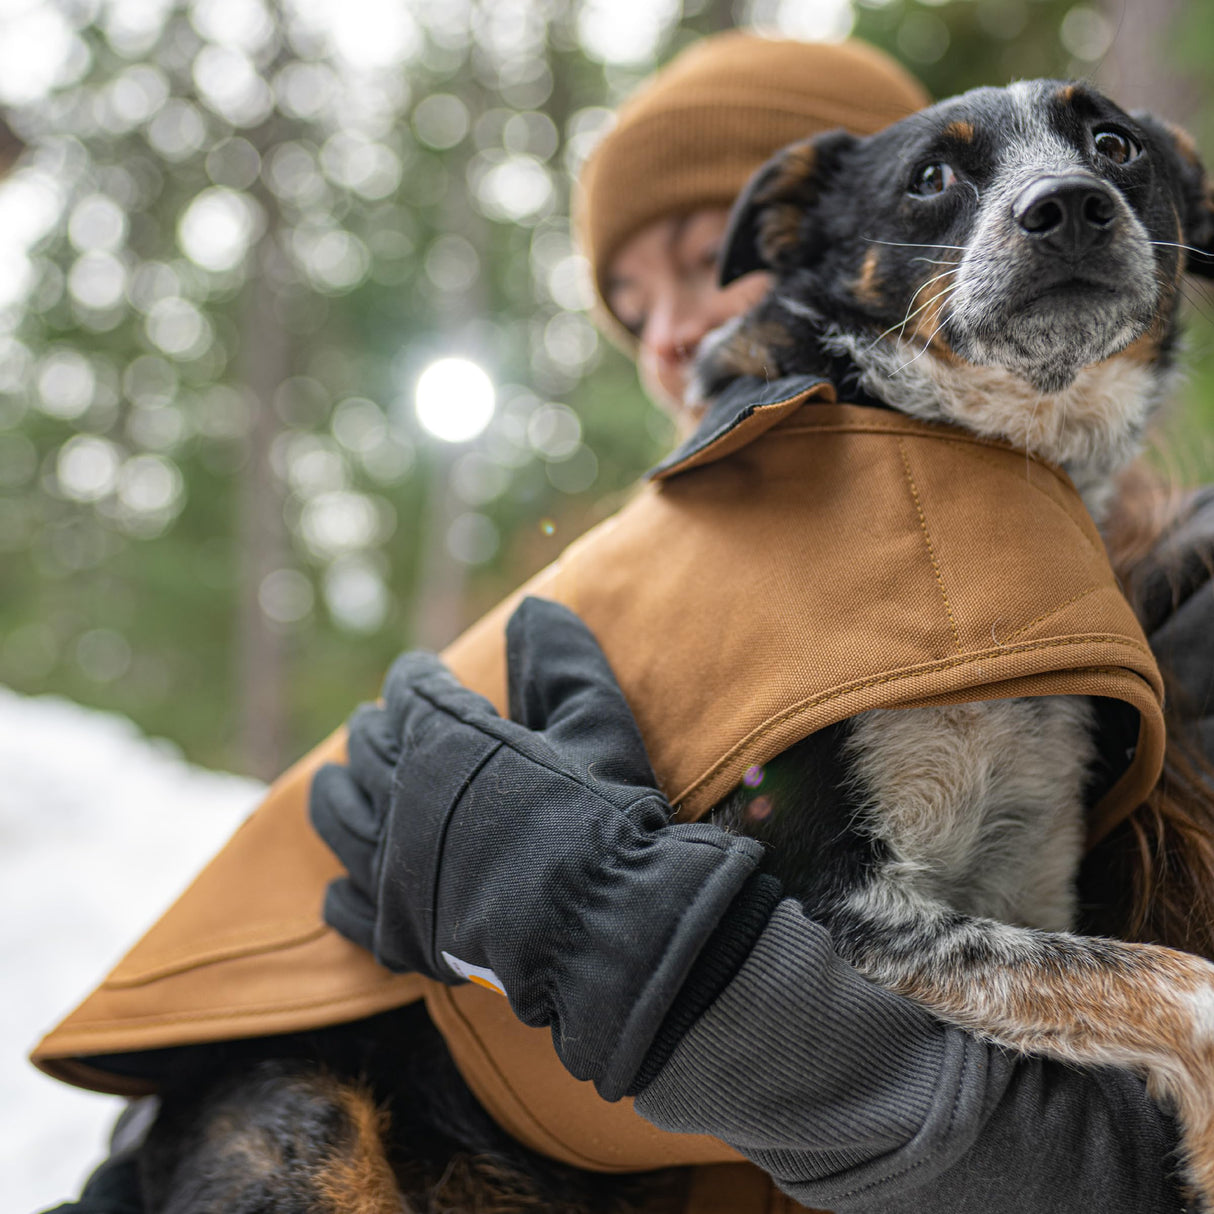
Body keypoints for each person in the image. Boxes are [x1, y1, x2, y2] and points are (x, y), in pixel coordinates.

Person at [39, 30, 1214, 1213]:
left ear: (811, 256)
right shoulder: (682, 578)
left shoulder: (1167, 598)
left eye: (708, 261)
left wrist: (678, 968)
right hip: (342, 1108)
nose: (667, 335)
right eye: (625, 302)